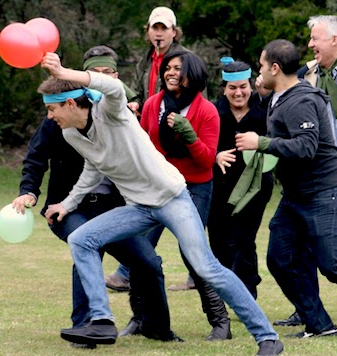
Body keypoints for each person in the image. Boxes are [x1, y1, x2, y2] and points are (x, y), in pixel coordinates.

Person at [38, 52, 283, 356]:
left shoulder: (111, 111)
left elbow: (113, 87)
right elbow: (94, 167)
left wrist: (64, 71)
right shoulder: (71, 133)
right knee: (81, 238)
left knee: (207, 267)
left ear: (71, 103)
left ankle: (268, 338)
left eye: (52, 109)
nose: (50, 116)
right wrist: (67, 203)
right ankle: (101, 320)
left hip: (172, 198)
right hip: (138, 207)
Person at [12, 45, 179, 349]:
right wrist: (29, 193)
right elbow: (35, 158)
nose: (99, 80)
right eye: (94, 75)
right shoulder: (59, 117)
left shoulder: (120, 116)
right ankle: (85, 328)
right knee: (85, 245)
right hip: (67, 209)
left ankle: (156, 327)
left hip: (113, 208)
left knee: (148, 262)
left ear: (115, 78)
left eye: (106, 75)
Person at [235, 39, 337, 339]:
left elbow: (306, 147)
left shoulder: (302, 99)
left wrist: (260, 142)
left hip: (326, 192)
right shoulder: (278, 97)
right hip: (295, 197)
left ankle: (319, 322)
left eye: (261, 64)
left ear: (275, 67)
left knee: (333, 265)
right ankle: (320, 325)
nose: (258, 70)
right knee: (280, 258)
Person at [119, 50, 230, 341]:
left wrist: (189, 134)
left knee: (194, 253)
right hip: (156, 186)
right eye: (167, 68)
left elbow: (207, 161)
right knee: (140, 250)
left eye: (177, 68)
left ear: (191, 74)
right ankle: (139, 318)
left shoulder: (206, 111)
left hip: (194, 186)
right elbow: (143, 145)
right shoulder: (153, 104)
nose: (170, 73)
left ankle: (220, 322)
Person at [107, 5, 196, 293]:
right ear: (148, 32)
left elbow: (194, 92)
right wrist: (134, 102)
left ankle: (128, 271)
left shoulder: (183, 60)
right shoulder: (145, 61)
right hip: (147, 138)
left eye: (164, 28)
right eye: (154, 28)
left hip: (175, 142)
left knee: (162, 205)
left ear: (174, 32)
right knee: (158, 206)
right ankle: (130, 270)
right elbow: (135, 89)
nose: (159, 33)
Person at [275, 15, 337, 328]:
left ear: (335, 40)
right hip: (325, 169)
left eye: (315, 38)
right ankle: (307, 308)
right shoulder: (308, 75)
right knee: (303, 245)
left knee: (330, 256)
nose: (310, 44)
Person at [207, 58, 274, 300]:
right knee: (219, 240)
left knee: (243, 239)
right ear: (224, 89)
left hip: (255, 188)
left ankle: (247, 295)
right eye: (232, 88)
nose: (238, 93)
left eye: (243, 86)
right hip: (219, 187)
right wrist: (215, 156)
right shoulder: (212, 112)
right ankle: (225, 292)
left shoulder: (266, 111)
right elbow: (198, 145)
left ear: (251, 85)